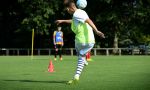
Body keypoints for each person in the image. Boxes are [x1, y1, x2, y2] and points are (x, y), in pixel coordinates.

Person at [56, 0, 105, 84]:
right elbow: (74, 20)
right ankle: (83, 59)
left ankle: (76, 76)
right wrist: (62, 21)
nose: (67, 11)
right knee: (80, 53)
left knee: (80, 57)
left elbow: (88, 20)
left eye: (67, 9)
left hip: (83, 40)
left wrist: (97, 31)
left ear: (70, 8)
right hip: (87, 41)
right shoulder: (79, 13)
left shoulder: (77, 14)